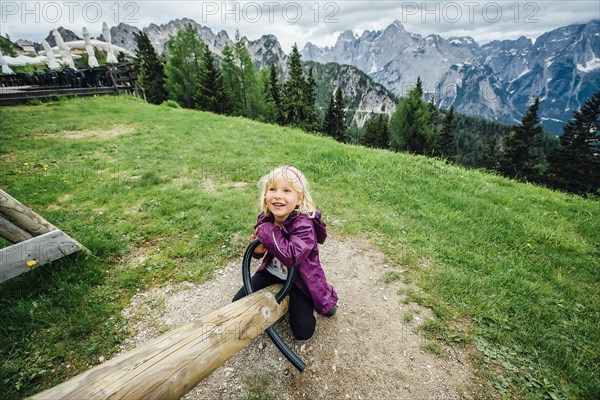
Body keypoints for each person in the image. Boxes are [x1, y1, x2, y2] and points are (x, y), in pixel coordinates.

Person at [232, 165, 338, 340]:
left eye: (287, 190)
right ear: (266, 196)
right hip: (272, 271)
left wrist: (268, 232)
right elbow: (257, 251)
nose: (278, 195)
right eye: (272, 189)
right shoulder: (266, 218)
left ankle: (323, 299)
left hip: (299, 278)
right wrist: (257, 250)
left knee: (303, 332)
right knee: (237, 304)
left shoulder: (304, 225)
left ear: (299, 198)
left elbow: (292, 256)